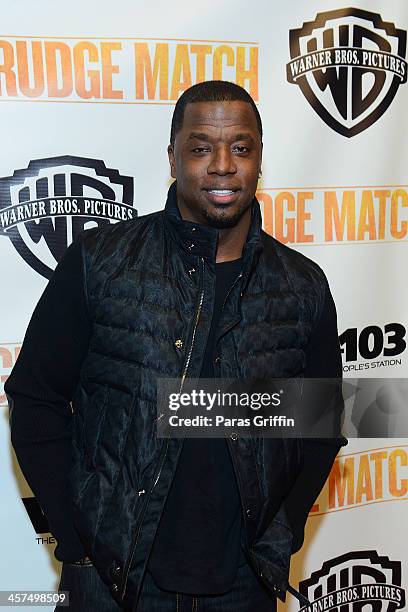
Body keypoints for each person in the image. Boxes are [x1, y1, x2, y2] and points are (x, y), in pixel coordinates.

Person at [5, 80, 346, 612]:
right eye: (200, 148)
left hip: (243, 586)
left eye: (240, 147)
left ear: (259, 158)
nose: (222, 166)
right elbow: (34, 397)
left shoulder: (301, 285)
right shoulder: (102, 262)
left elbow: (319, 426)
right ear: (172, 158)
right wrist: (78, 540)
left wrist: (281, 533)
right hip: (113, 583)